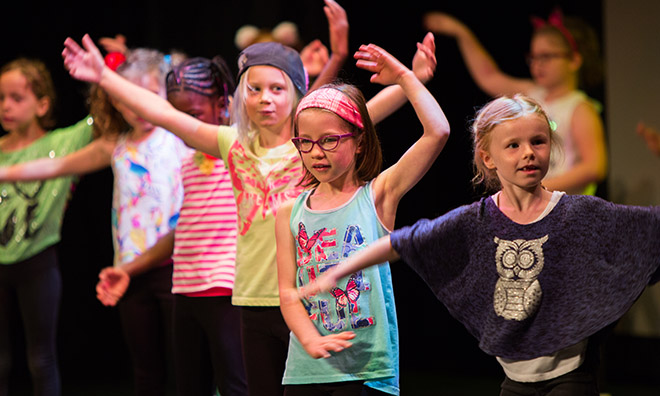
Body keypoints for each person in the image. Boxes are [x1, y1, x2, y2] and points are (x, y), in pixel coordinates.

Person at [62, 25, 437, 394]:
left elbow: (363, 113)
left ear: (297, 93)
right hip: (250, 297)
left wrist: (412, 79)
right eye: (254, 89)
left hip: (306, 300)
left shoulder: (307, 144)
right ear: (240, 95)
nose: (264, 99)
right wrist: (104, 79)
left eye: (276, 89)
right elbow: (165, 115)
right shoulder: (232, 144)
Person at [302, 94, 660, 395]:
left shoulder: (579, 213)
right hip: (515, 380)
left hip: (571, 376)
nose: (528, 153)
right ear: (488, 158)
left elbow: (649, 229)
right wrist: (340, 270)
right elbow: (404, 241)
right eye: (513, 145)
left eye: (538, 142)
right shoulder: (477, 221)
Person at [0, 49, 188, 396]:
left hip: (178, 267)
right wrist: (6, 171)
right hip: (128, 271)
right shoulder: (114, 146)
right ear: (117, 102)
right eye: (129, 99)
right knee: (146, 370)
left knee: (187, 366)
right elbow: (55, 166)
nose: (140, 108)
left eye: (149, 97)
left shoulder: (180, 137)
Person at [275, 41, 449, 396]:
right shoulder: (288, 212)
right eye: (304, 142)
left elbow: (438, 132)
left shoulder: (378, 195)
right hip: (306, 372)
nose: (315, 152)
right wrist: (310, 340)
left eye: (329, 140)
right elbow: (288, 292)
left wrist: (404, 76)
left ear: (359, 143)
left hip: (366, 370)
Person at [95, 55, 248, 396]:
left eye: (191, 117)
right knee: (185, 384)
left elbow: (289, 115)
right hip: (184, 287)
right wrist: (130, 268)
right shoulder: (189, 161)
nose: (183, 125)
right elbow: (184, 229)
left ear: (223, 105)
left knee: (234, 383)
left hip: (221, 288)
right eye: (179, 116)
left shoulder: (237, 147)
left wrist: (104, 75)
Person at [424, 7, 607, 195]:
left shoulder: (579, 108)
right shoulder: (531, 93)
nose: (537, 64)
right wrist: (461, 32)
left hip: (565, 209)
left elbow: (594, 167)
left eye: (546, 56)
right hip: (533, 205)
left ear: (574, 60)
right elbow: (488, 76)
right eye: (533, 57)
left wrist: (541, 188)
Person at [0, 58, 94, 396]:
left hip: (38, 262)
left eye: (16, 97)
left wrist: (110, 72)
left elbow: (103, 119)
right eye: (1, 98)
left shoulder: (66, 142)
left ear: (42, 104)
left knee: (41, 358)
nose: (6, 106)